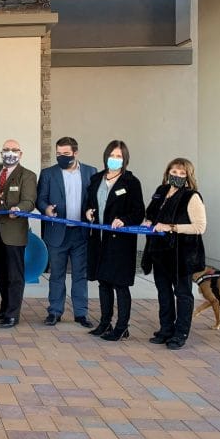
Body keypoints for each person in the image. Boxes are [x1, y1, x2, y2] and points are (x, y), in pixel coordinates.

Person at [142, 158, 206, 350]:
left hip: (181, 255)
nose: (177, 176)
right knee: (164, 292)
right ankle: (166, 329)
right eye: (174, 172)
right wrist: (148, 221)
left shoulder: (192, 197)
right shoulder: (161, 191)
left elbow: (200, 227)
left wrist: (171, 227)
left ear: (188, 176)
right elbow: (152, 213)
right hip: (159, 252)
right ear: (168, 172)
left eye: (182, 173)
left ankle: (180, 333)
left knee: (183, 294)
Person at [85, 141, 145, 340]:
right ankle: (105, 322)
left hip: (120, 242)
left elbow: (139, 211)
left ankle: (122, 327)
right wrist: (88, 211)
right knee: (103, 282)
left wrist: (124, 220)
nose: (115, 159)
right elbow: (89, 203)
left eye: (119, 156)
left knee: (120, 284)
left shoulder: (131, 182)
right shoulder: (96, 179)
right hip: (99, 240)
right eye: (112, 155)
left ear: (125, 159)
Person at [36, 136, 97, 328]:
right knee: (57, 274)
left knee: (80, 274)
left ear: (75, 153)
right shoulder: (48, 173)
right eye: (58, 153)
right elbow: (40, 199)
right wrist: (46, 209)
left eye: (66, 153)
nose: (61, 156)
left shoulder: (91, 172)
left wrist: (91, 211)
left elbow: (93, 199)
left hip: (81, 233)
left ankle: (81, 313)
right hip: (57, 233)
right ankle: (54, 311)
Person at [0, 139, 37, 329]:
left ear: (20, 153)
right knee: (0, 273)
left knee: (15, 275)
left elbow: (29, 201)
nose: (10, 153)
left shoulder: (27, 175)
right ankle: (4, 308)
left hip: (14, 231)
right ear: (1, 152)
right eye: (6, 149)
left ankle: (12, 314)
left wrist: (18, 208)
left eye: (14, 150)